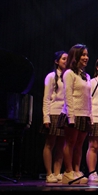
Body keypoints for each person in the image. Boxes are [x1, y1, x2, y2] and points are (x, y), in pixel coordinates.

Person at [60, 44, 92, 184]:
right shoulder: (69, 73)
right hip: (72, 113)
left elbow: (89, 97)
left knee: (79, 144)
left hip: (84, 114)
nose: (86, 57)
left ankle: (77, 170)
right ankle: (68, 171)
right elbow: (68, 95)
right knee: (70, 143)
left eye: (87, 55)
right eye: (83, 54)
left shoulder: (86, 75)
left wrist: (90, 115)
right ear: (76, 56)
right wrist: (71, 116)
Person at [41, 50, 67, 184]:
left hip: (64, 114)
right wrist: (46, 117)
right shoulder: (51, 76)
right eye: (64, 59)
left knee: (61, 145)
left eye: (67, 59)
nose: (66, 61)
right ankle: (49, 173)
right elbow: (46, 98)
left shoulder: (68, 76)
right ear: (57, 61)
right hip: (53, 112)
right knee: (50, 144)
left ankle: (57, 172)